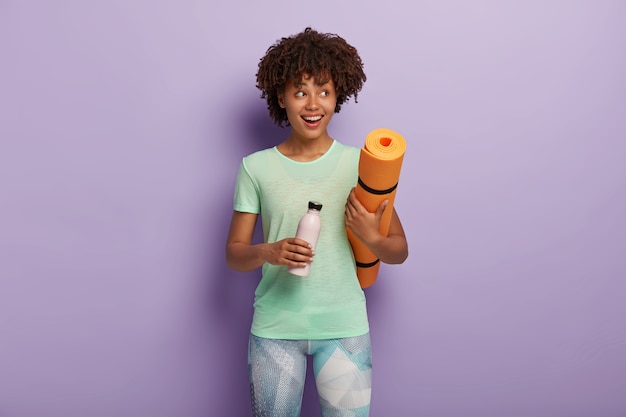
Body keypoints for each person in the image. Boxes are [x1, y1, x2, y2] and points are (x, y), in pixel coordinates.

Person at [225, 27, 408, 417]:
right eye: (300, 91)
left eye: (324, 91)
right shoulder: (255, 167)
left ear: (337, 95)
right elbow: (235, 255)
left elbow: (399, 251)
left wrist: (372, 237)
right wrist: (269, 251)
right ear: (281, 97)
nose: (313, 104)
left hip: (344, 326)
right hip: (275, 328)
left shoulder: (360, 164)